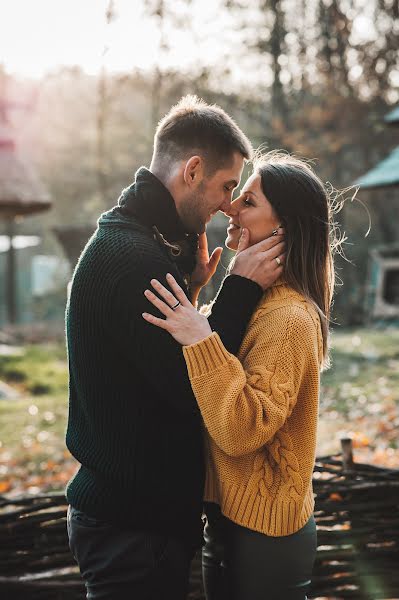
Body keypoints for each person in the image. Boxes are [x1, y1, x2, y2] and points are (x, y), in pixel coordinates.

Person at [65, 96, 285, 600]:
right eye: (228, 186)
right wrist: (241, 288)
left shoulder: (130, 239)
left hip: (127, 521)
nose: (229, 204)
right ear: (192, 170)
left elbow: (150, 360)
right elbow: (195, 388)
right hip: (134, 529)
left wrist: (192, 292)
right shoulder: (136, 260)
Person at [142, 151, 337, 600]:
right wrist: (196, 289)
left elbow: (241, 427)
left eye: (248, 202)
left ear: (283, 228)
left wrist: (199, 338)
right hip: (230, 519)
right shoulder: (259, 302)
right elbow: (211, 350)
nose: (230, 207)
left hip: (265, 534)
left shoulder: (288, 318)